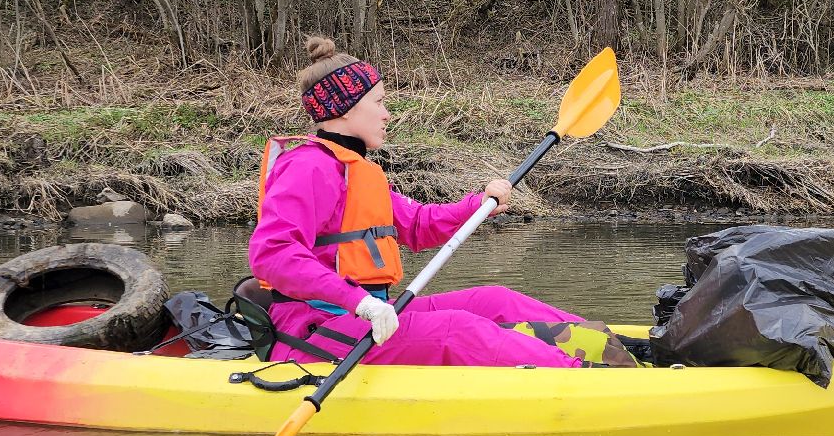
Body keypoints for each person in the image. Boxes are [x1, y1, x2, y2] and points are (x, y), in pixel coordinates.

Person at [247, 35, 588, 368]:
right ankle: (581, 376)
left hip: (365, 315)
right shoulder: (307, 166)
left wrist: (476, 205)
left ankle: (611, 347)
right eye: (378, 102)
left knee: (496, 301)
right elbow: (273, 253)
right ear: (347, 109)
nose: (387, 114)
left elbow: (417, 226)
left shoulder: (355, 170)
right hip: (313, 330)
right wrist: (360, 302)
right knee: (456, 332)